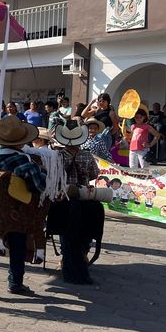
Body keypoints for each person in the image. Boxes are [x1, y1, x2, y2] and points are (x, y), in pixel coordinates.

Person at [0, 116, 46, 297]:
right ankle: (15, 283)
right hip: (17, 211)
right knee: (18, 246)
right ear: (21, 142)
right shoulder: (23, 161)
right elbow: (39, 185)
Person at [48, 121, 102, 285]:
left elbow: (52, 176)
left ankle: (67, 258)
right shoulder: (86, 155)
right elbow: (94, 174)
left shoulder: (56, 155)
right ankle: (83, 252)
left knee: (65, 230)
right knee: (86, 228)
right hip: (84, 198)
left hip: (62, 198)